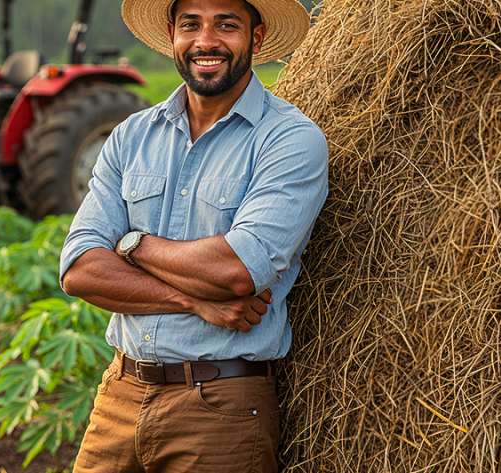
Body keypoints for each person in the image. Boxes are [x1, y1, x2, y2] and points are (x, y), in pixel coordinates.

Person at [59, 0, 328, 470]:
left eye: (226, 25)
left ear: (256, 38)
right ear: (172, 35)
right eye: (191, 25)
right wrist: (194, 300)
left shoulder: (289, 139)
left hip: (221, 405)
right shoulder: (130, 136)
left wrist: (131, 244)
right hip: (119, 395)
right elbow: (80, 269)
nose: (206, 41)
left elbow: (237, 271)